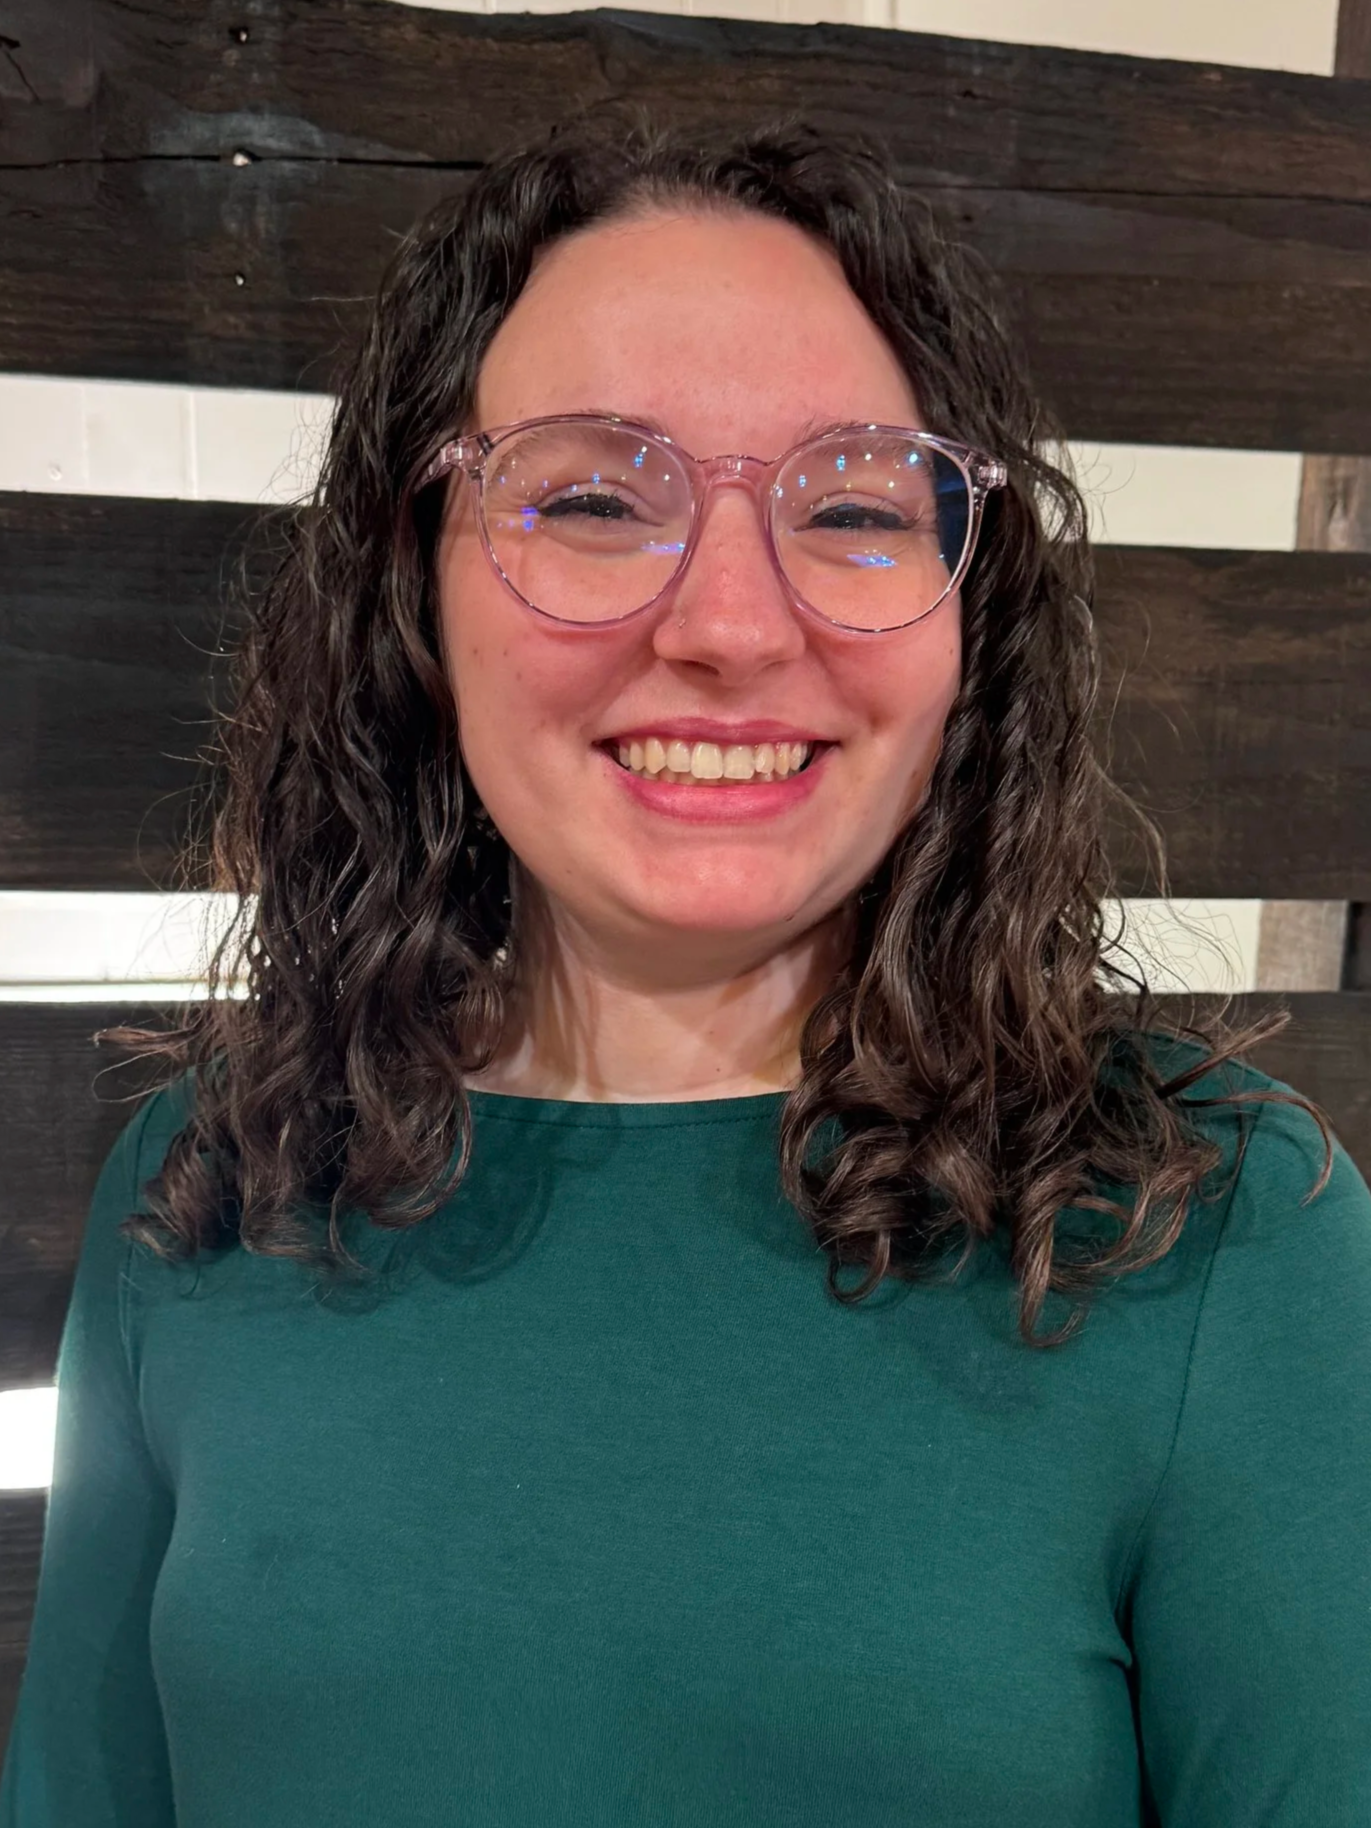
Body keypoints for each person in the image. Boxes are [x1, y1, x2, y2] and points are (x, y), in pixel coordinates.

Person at [3, 104, 1369, 1827]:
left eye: (853, 508)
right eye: (590, 496)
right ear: (415, 590)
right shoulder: (210, 1195)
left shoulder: (1216, 1240)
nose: (728, 622)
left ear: (970, 617)